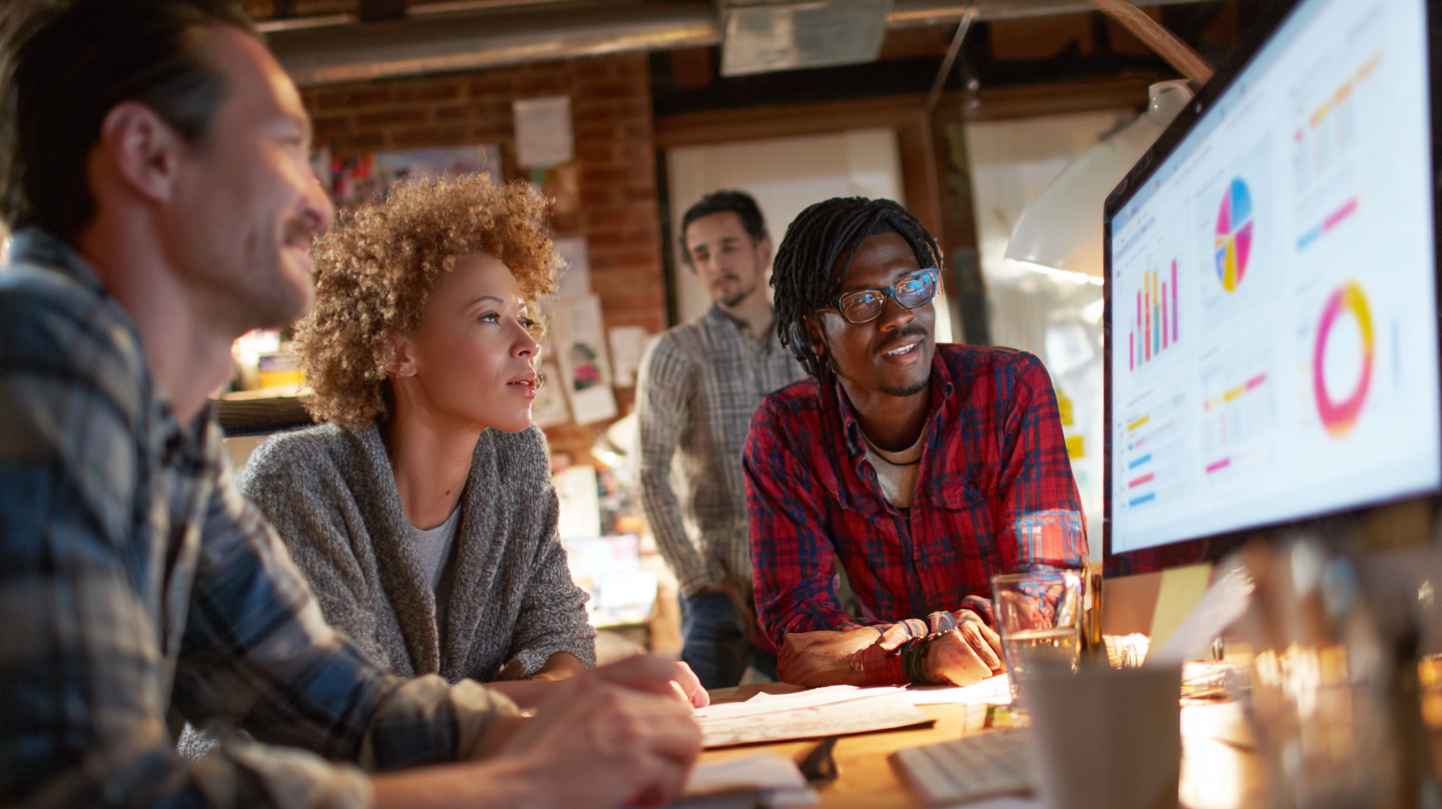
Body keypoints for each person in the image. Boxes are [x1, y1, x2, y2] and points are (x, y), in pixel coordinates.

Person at [0, 2, 705, 809]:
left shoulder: (161, 420)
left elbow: (324, 696)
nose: (319, 205)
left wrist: (525, 726)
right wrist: (517, 783)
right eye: (287, 147)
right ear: (148, 154)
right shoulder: (38, 361)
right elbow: (86, 796)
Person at [235, 176, 594, 708]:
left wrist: (548, 696)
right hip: (280, 787)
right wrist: (524, 710)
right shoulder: (297, 480)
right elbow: (353, 707)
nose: (528, 343)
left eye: (524, 317)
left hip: (450, 775)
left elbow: (562, 637)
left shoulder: (516, 459)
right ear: (397, 352)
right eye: (490, 317)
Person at [743, 197, 1088, 688]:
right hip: (894, 704)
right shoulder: (786, 432)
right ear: (815, 332)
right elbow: (799, 634)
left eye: (913, 286)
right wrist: (920, 655)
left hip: (1022, 686)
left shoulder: (1010, 387)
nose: (898, 317)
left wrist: (909, 643)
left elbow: (1050, 587)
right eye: (862, 301)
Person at [636, 191, 805, 688]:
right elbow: (648, 472)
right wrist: (697, 581)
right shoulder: (676, 353)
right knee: (696, 729)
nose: (716, 265)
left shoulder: (809, 343)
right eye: (701, 254)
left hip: (811, 589)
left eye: (728, 247)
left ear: (762, 249)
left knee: (836, 727)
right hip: (720, 593)